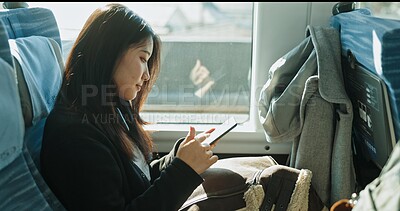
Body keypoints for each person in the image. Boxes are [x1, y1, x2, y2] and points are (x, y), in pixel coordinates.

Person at [40, 3, 218, 211]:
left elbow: (139, 181)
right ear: (109, 52)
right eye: (143, 58)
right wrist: (183, 170)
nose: (147, 75)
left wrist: (178, 157)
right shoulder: (75, 136)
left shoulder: (114, 109)